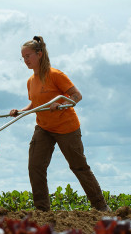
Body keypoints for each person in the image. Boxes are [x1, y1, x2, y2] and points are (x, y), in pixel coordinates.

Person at [9, 35, 111, 212]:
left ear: (39, 54)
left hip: (66, 128)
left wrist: (61, 104)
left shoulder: (56, 75)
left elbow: (77, 96)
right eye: (23, 57)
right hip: (44, 127)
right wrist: (20, 111)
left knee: (78, 166)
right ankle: (42, 210)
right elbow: (35, 104)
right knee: (35, 166)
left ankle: (101, 207)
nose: (25, 60)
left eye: (28, 56)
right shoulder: (31, 81)